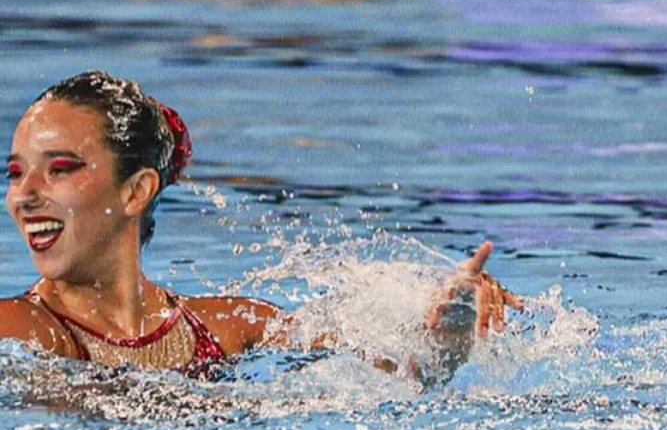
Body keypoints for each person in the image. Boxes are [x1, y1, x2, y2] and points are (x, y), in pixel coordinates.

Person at [1, 71, 521, 378]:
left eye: (60, 170)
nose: (23, 196)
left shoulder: (233, 327)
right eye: (17, 172)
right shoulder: (20, 329)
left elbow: (398, 380)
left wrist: (449, 335)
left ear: (136, 190)